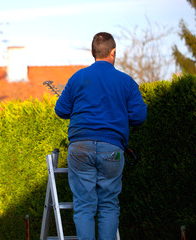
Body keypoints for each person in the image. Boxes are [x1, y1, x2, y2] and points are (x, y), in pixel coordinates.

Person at [55, 32, 147, 240]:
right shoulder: (126, 82)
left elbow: (61, 110)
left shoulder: (77, 77)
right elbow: (139, 116)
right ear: (113, 52)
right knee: (108, 205)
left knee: (84, 206)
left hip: (79, 148)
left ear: (92, 53)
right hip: (112, 150)